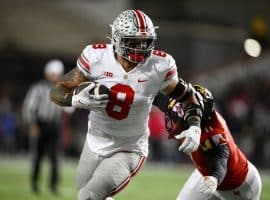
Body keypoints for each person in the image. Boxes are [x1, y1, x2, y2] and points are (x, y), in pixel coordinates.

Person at [50, 9, 204, 200]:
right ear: (117, 38)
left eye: (145, 41)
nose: (140, 47)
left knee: (88, 195)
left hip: (129, 147)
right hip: (94, 141)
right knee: (88, 194)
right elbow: (57, 91)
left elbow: (188, 95)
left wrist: (195, 127)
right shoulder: (96, 57)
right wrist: (75, 99)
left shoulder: (159, 65)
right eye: (133, 41)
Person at [153, 85, 262, 200]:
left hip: (239, 185)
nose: (176, 114)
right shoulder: (190, 113)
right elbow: (162, 100)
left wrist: (214, 178)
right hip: (205, 174)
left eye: (190, 106)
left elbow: (220, 159)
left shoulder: (214, 133)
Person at [23, 59, 65, 195]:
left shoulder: (63, 88)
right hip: (41, 125)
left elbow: (70, 109)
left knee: (55, 158)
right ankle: (35, 185)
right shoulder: (38, 88)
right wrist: (33, 124)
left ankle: (53, 186)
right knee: (37, 157)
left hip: (55, 126)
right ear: (47, 74)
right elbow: (29, 107)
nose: (55, 76)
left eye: (58, 74)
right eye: (53, 74)